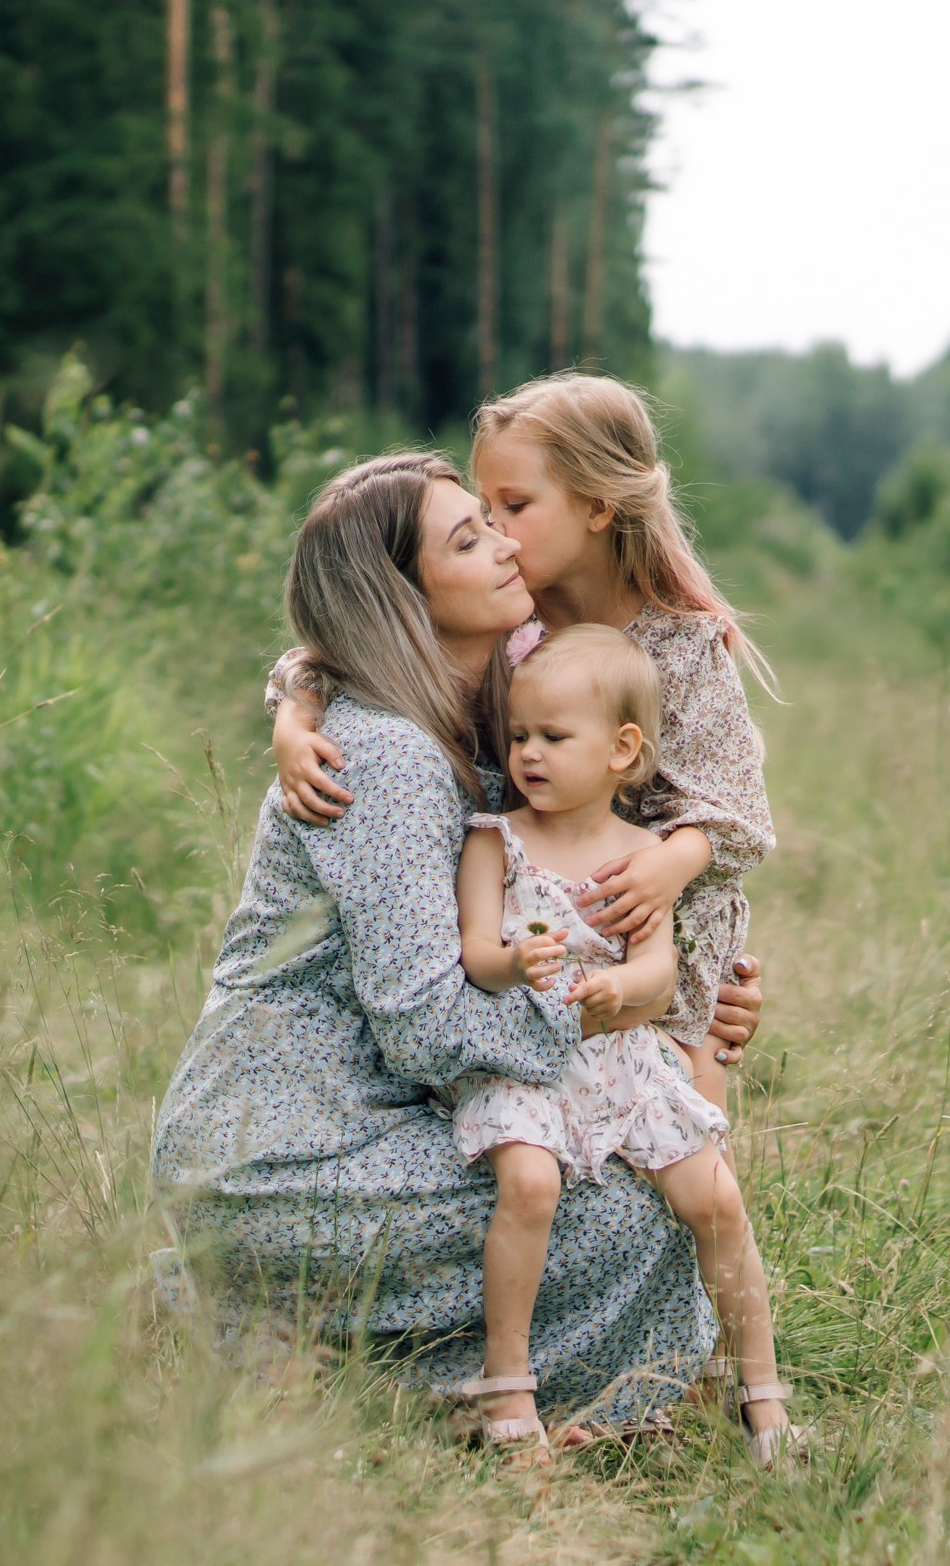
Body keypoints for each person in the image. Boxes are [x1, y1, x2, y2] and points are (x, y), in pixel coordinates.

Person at [151, 452, 749, 1436]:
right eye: (469, 539)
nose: (507, 542)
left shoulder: (493, 732)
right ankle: (289, 1344)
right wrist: (611, 1006)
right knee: (621, 1212)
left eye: (492, 520)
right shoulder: (380, 755)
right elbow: (426, 1023)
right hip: (278, 1153)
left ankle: (352, 1355)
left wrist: (683, 992)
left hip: (380, 1116)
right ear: (402, 597)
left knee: (657, 1185)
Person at [272, 373, 775, 1112]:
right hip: (531, 950)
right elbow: (346, 651)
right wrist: (295, 713)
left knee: (688, 1174)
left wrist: (673, 862)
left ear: (600, 505)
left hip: (654, 949)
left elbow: (740, 815)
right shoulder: (512, 624)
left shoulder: (684, 647)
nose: (498, 535)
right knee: (534, 1146)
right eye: (485, 510)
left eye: (516, 507)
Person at [450, 624, 804, 1465]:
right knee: (527, 1184)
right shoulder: (494, 839)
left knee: (714, 1198)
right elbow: (473, 956)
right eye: (520, 735)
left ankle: (761, 1389)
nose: (528, 754)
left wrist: (623, 989)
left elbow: (659, 972)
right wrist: (514, 962)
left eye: (552, 737)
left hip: (620, 1058)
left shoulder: (643, 856)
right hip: (527, 1059)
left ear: (622, 749)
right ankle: (508, 1385)